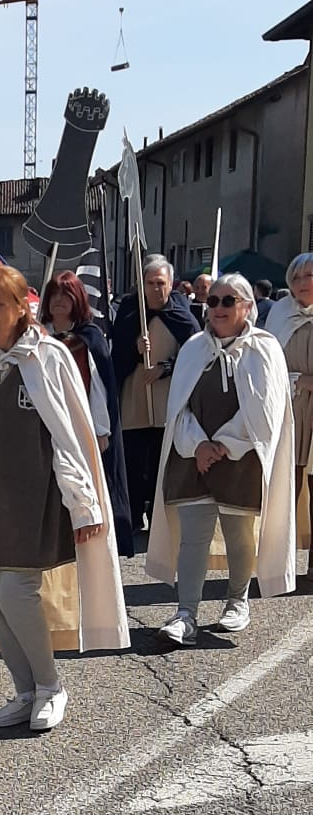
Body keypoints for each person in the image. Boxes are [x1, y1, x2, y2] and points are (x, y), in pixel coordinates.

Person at [0, 264, 129, 732]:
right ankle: (24, 690)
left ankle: (50, 686)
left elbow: (72, 435)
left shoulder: (49, 359)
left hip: (32, 501)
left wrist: (84, 503)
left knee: (17, 593)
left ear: (23, 308)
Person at [148, 273, 294, 643]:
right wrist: (198, 445)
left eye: (228, 301)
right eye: (212, 301)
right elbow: (178, 406)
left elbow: (266, 410)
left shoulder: (264, 348)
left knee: (238, 534)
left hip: (241, 458)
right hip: (194, 458)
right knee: (193, 537)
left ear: (247, 307)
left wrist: (226, 444)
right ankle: (186, 614)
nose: (218, 308)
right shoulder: (195, 348)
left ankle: (236, 600)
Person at [39, 270, 133, 556]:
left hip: (82, 428)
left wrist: (101, 430)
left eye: (65, 295)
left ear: (76, 299)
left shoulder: (88, 339)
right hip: (47, 426)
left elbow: (98, 388)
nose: (58, 301)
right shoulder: (38, 337)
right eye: (54, 295)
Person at [110, 254, 198, 545]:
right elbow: (115, 358)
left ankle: (161, 518)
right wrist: (135, 348)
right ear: (142, 285)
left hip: (167, 399)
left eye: (161, 283)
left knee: (163, 461)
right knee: (134, 461)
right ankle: (133, 517)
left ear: (170, 284)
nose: (156, 289)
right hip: (135, 399)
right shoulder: (129, 311)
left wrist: (167, 367)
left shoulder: (181, 312)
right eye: (150, 283)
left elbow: (195, 352)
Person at [265, 252, 313, 570]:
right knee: (284, 485)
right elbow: (266, 360)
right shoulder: (280, 313)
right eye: (295, 277)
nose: (301, 283)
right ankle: (276, 564)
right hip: (289, 408)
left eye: (308, 275)